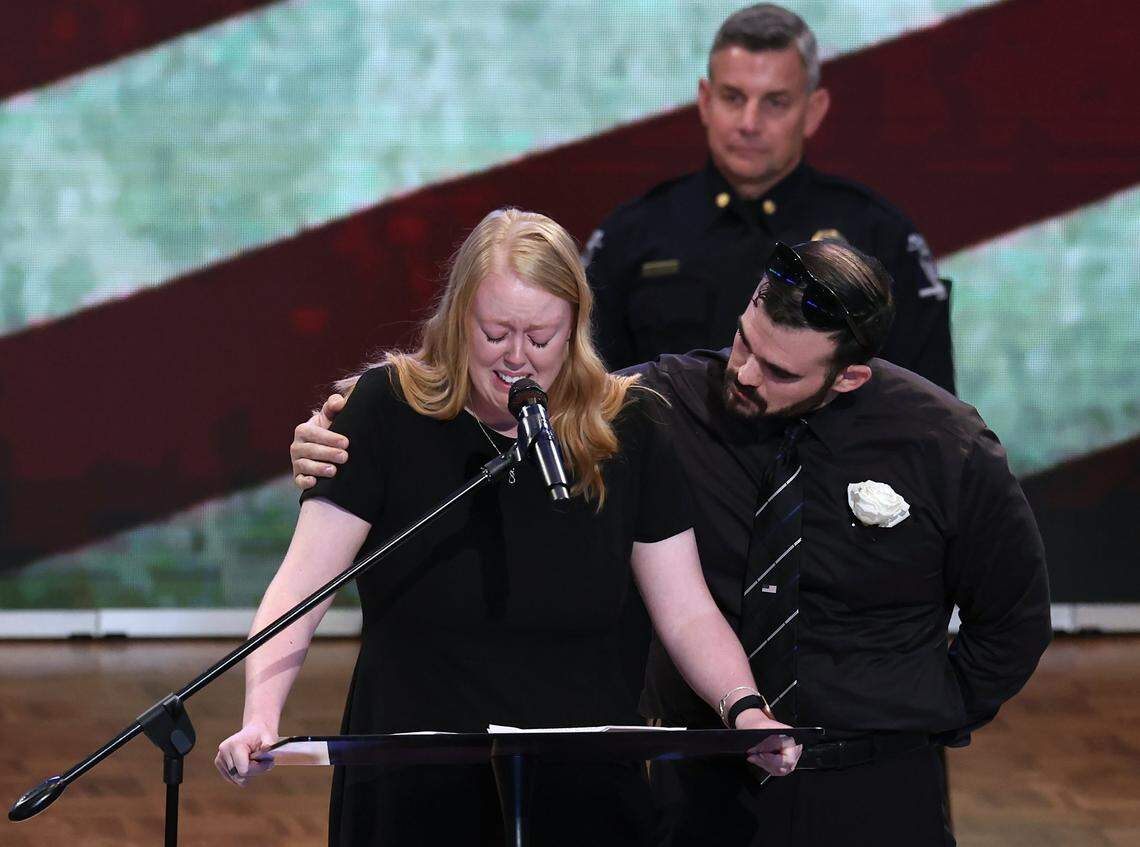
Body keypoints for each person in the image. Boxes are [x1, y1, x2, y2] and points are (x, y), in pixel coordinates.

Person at [294, 238, 1051, 845]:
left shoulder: (945, 446)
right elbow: (508, 401)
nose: (745, 373)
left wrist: (917, 706)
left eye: (778, 370)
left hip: (876, 786)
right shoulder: (661, 405)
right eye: (743, 342)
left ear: (848, 376)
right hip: (703, 785)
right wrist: (338, 430)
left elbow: (1013, 619)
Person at [218, 208, 800, 847]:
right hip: (415, 781)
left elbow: (686, 609)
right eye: (494, 332)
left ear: (574, 327)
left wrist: (742, 707)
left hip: (581, 786)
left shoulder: (630, 427)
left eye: (541, 337)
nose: (516, 358)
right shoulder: (385, 410)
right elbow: (303, 589)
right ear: (457, 318)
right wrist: (260, 717)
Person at [584, 3, 956, 395]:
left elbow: (931, 416)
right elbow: (588, 403)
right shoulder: (629, 238)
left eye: (774, 102)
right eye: (733, 97)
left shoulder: (880, 238)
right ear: (705, 101)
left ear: (813, 112)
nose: (749, 123)